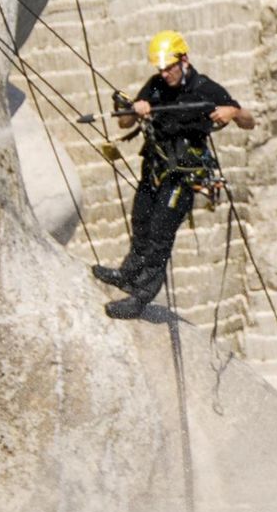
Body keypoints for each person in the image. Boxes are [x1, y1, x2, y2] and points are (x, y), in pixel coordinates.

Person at [91, 30, 254, 319]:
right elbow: (124, 122)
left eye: (169, 68)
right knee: (140, 219)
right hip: (155, 166)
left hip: (183, 175)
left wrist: (232, 111)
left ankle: (140, 297)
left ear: (184, 60)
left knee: (159, 234)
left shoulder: (206, 89)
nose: (165, 74)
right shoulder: (155, 87)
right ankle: (128, 273)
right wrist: (134, 110)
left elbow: (248, 121)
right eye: (161, 69)